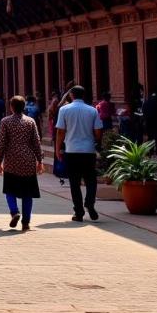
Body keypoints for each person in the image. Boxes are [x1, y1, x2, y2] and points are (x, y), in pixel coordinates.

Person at [0, 95, 43, 231]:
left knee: (10, 189)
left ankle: (14, 211)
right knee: (27, 193)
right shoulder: (30, 122)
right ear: (24, 107)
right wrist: (40, 160)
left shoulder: (6, 122)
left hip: (11, 160)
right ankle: (26, 222)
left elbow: (1, 142)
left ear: (11, 107)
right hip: (28, 160)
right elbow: (36, 142)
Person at [55, 85, 102, 222]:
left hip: (72, 150)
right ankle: (90, 203)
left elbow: (60, 131)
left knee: (74, 183)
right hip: (88, 150)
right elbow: (98, 132)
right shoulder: (92, 110)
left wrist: (58, 149)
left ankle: (79, 211)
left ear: (71, 95)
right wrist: (94, 140)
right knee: (91, 180)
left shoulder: (64, 110)